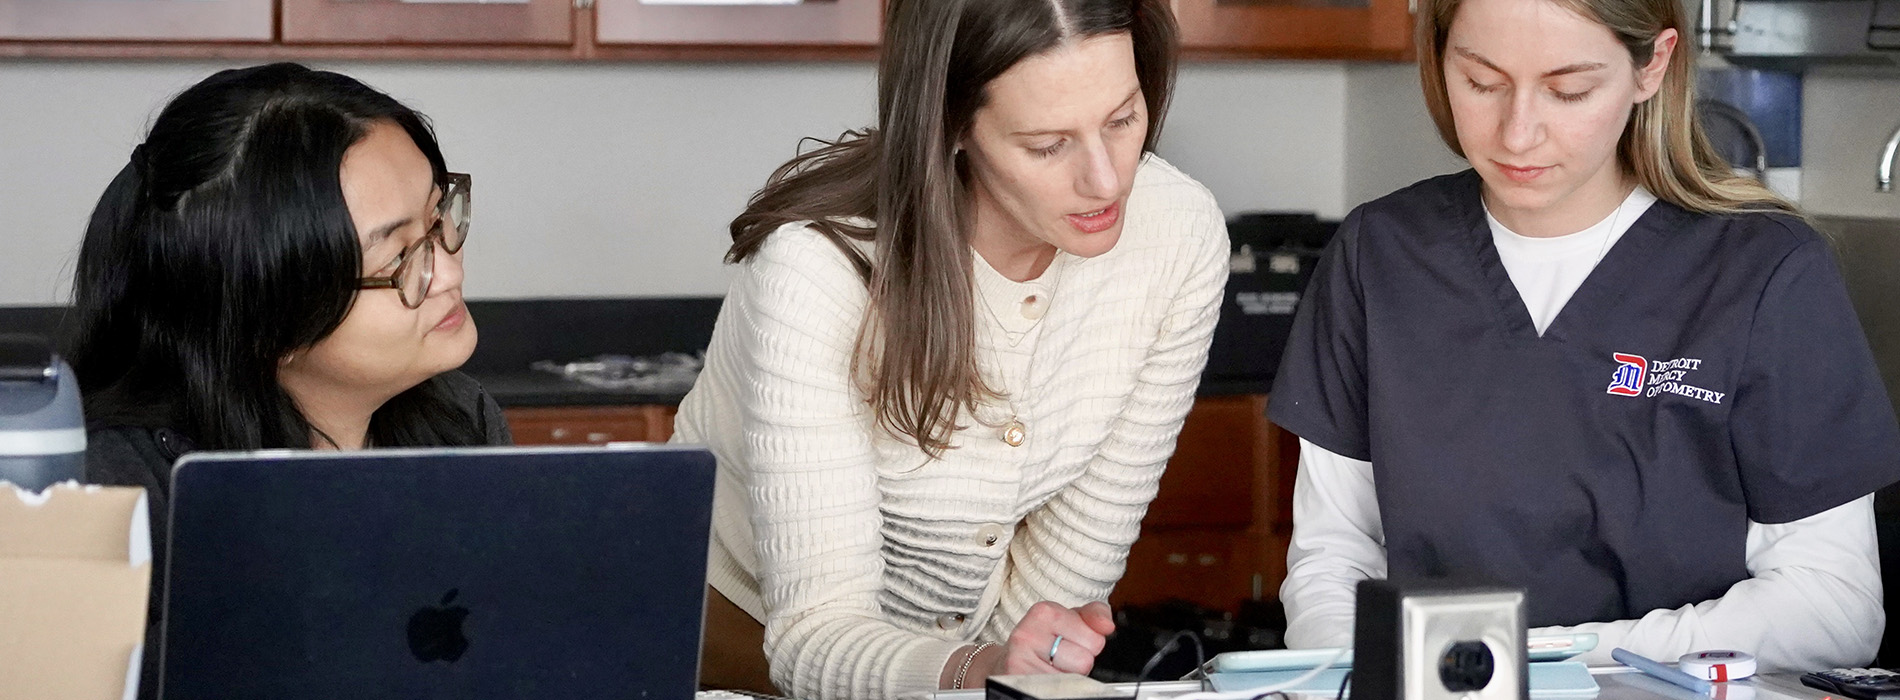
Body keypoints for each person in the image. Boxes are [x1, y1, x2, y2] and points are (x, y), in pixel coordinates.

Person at [1271, 0, 1900, 673]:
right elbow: (1333, 558)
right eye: (1481, 82)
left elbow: (1834, 606)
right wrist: (1358, 675)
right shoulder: (1380, 256)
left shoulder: (1764, 271)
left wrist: (1545, 662)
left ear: (1651, 66)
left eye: (1568, 90)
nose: (1517, 134)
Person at [669, 0, 1227, 696]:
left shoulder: (1180, 235)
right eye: (1047, 144)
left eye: (1122, 120)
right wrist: (975, 673)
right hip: (733, 650)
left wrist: (1010, 671)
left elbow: (1070, 568)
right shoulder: (818, 272)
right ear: (953, 127)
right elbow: (814, 634)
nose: (1107, 180)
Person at [65, 63, 510, 698]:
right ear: (266, 322)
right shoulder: (109, 493)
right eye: (402, 258)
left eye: (441, 218)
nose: (448, 272)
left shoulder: (460, 420)